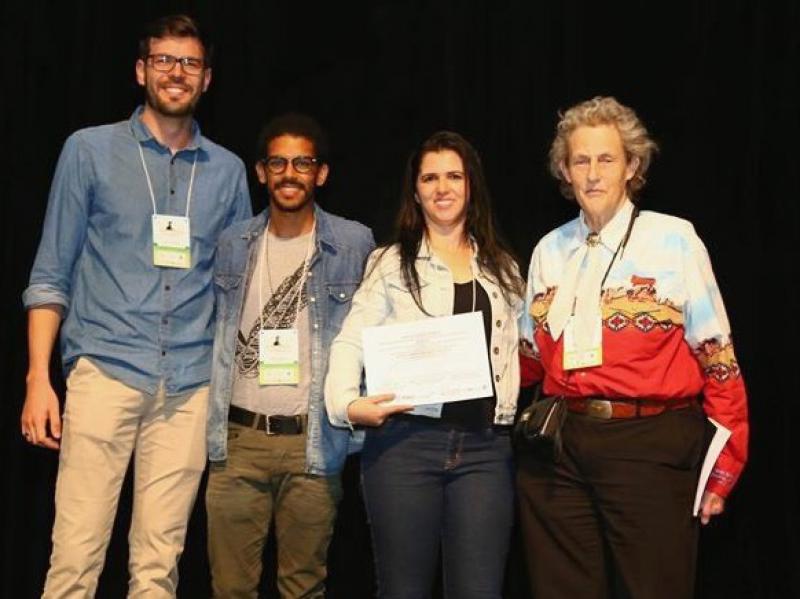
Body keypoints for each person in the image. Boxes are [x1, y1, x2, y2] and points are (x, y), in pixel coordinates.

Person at [19, 14, 252, 597]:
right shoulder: (89, 151)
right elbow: (51, 273)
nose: (177, 73)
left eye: (190, 63)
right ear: (141, 70)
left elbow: (236, 289)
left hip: (191, 387)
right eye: (165, 61)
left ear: (207, 80)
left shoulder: (226, 172)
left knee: (157, 567)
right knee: (75, 558)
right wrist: (38, 380)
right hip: (105, 371)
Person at [517, 96, 749, 599]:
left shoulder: (674, 240)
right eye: (581, 160)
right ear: (564, 170)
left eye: (607, 159)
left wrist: (726, 464)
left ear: (632, 166)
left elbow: (719, 360)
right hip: (560, 447)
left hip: (650, 444)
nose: (593, 173)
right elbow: (524, 360)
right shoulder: (548, 249)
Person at [325, 131, 524, 598]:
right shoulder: (390, 263)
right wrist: (348, 407)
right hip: (405, 445)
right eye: (430, 178)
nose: (442, 187)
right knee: (402, 590)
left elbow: (528, 350)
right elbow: (350, 341)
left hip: (485, 448)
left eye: (453, 176)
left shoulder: (504, 269)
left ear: (471, 185)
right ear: (415, 191)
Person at [205, 113, 375, 598]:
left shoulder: (353, 243)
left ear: (321, 173)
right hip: (237, 443)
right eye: (277, 162)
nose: (289, 173)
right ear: (261, 172)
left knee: (304, 587)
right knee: (230, 589)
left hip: (313, 444)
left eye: (303, 162)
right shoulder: (232, 244)